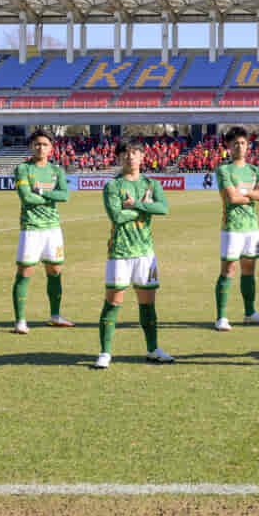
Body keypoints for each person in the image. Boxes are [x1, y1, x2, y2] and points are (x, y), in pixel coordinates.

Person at [94, 139, 173, 368]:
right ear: (120, 157)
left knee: (148, 304)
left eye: (135, 152)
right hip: (119, 251)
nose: (131, 157)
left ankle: (153, 349)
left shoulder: (151, 184)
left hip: (145, 253)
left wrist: (134, 204)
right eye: (126, 153)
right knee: (113, 302)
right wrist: (143, 207)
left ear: (142, 157)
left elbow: (163, 208)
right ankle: (105, 352)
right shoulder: (112, 186)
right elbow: (116, 217)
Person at [10, 129, 73, 333]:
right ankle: (20, 321)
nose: (41, 147)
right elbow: (26, 197)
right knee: (25, 272)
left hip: (53, 229)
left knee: (55, 271)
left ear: (51, 148)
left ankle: (55, 315)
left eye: (45, 144)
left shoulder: (57, 171)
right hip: (31, 228)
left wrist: (43, 192)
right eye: (37, 144)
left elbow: (65, 196)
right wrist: (50, 196)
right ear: (31, 146)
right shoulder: (23, 169)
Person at [213, 125, 259, 330]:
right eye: (235, 143)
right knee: (228, 269)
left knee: (249, 269)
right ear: (229, 146)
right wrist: (251, 193)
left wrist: (244, 192)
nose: (239, 146)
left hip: (251, 226)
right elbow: (232, 197)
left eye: (243, 142)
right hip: (232, 226)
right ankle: (221, 317)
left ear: (248, 146)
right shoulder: (224, 170)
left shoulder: (255, 170)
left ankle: (250, 313)